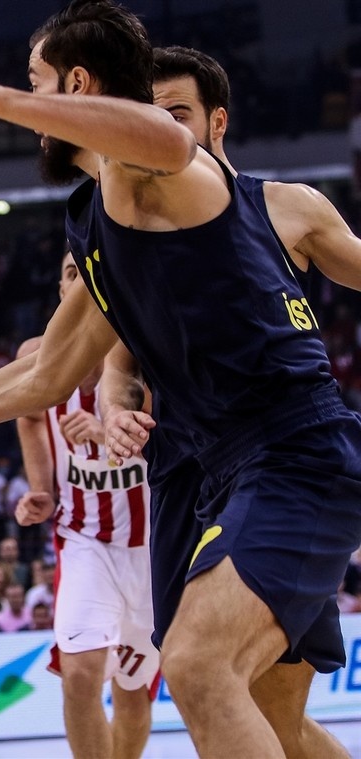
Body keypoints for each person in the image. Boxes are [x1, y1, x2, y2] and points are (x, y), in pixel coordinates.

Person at [0, 4, 361, 756]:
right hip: (215, 472)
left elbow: (161, 135)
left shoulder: (160, 170)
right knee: (273, 718)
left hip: (292, 452)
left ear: (73, 84)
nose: (32, 111)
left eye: (37, 85)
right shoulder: (100, 218)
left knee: (195, 665)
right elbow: (44, 374)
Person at [102, 44, 361, 756]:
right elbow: (114, 356)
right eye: (144, 117)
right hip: (187, 469)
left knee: (215, 676)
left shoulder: (285, 206)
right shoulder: (135, 228)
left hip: (277, 456)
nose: (159, 132)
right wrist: (111, 399)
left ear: (217, 122)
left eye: (176, 115)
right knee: (248, 707)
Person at [15, 248, 157, 759]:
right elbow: (29, 416)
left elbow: (182, 437)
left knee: (133, 687)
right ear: (59, 289)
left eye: (88, 274)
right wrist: (41, 489)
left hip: (151, 546)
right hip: (84, 539)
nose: (77, 283)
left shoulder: (146, 350)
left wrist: (110, 429)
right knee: (79, 676)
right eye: (69, 274)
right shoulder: (37, 353)